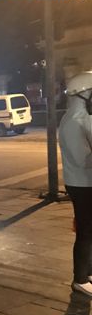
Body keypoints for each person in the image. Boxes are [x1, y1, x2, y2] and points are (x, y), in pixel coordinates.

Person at [59, 72, 92, 297]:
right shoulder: (73, 121)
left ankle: (88, 272)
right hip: (81, 184)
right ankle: (80, 279)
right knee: (85, 230)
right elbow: (82, 159)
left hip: (86, 182)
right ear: (82, 94)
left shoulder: (83, 118)